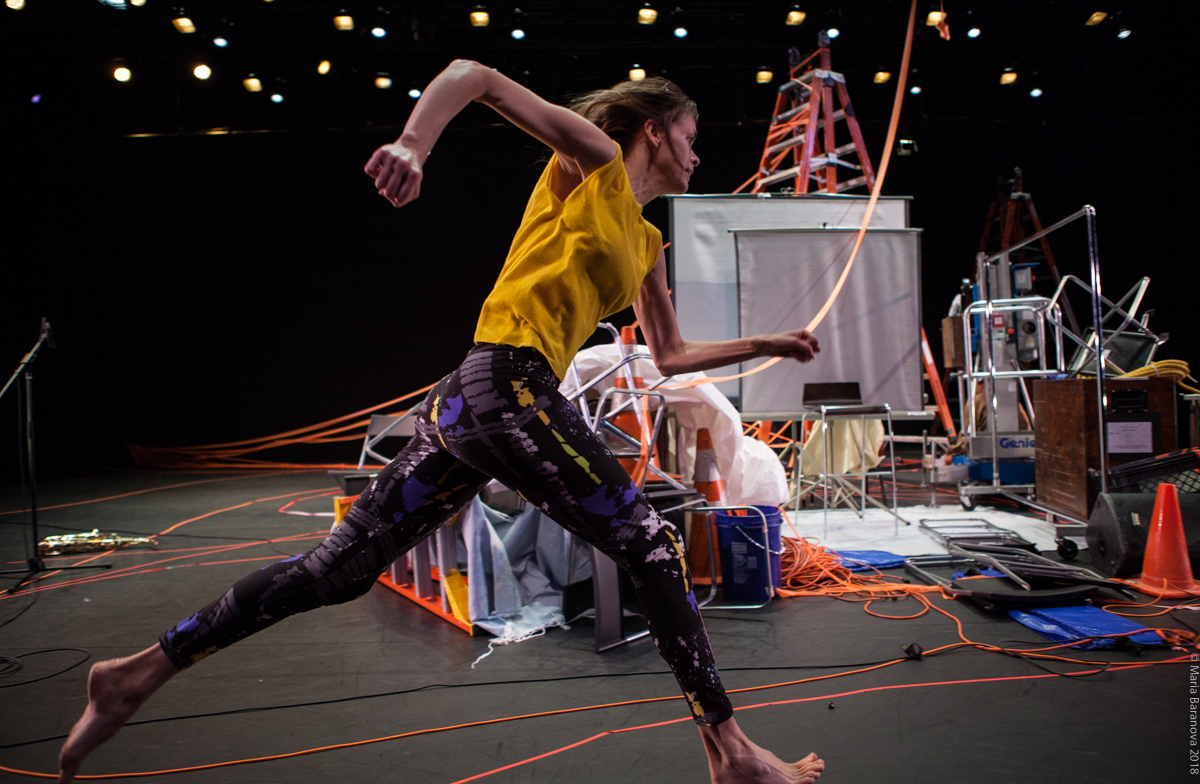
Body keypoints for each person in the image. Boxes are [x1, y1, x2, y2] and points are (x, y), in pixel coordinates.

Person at [58, 59, 824, 784]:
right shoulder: (592, 163)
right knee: (651, 544)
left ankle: (135, 673)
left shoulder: (647, 243)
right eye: (691, 137)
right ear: (655, 129)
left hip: (473, 401)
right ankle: (729, 750)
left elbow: (671, 351)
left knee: (338, 572)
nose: (698, 155)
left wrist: (765, 343)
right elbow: (476, 76)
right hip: (506, 383)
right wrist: (413, 144)